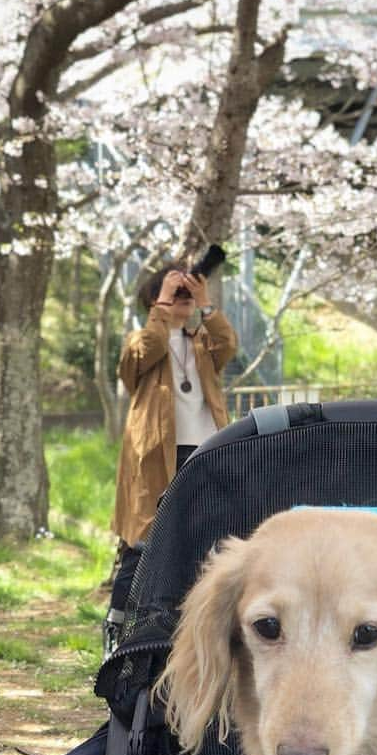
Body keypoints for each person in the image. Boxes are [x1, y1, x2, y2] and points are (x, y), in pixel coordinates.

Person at [105, 261, 238, 654]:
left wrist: (205, 303)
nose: (182, 301)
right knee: (142, 543)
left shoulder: (202, 342)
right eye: (173, 295)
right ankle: (119, 633)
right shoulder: (140, 340)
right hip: (155, 458)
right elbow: (145, 352)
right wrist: (163, 304)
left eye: (185, 295)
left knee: (206, 540)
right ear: (153, 299)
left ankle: (194, 631)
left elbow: (227, 344)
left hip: (205, 452)